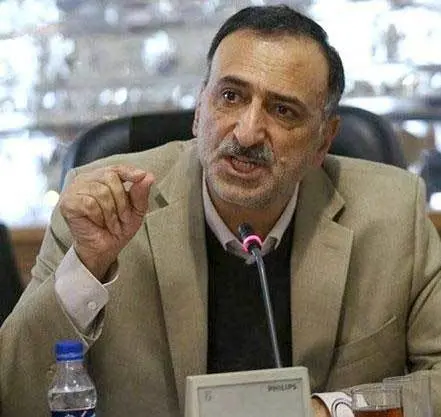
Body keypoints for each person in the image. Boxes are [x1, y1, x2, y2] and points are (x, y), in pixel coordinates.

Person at [1, 5, 441, 417]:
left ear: (323, 140)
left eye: (282, 110)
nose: (247, 133)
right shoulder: (105, 205)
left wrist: (329, 409)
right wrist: (89, 266)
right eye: (230, 96)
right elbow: (14, 395)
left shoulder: (392, 213)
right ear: (199, 110)